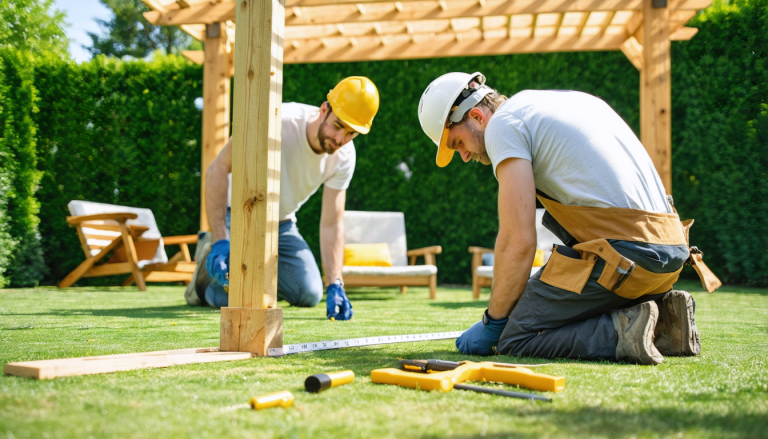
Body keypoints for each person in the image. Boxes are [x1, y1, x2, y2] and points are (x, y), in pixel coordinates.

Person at [417, 72, 721, 364]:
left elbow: (517, 242)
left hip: (628, 257)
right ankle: (665, 321)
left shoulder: (504, 126)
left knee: (517, 337)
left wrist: (493, 322)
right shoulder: (572, 101)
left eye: (457, 144)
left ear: (476, 117)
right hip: (672, 254)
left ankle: (626, 331)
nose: (465, 156)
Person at [185, 76, 380, 320]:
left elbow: (332, 222)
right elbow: (217, 170)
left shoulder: (344, 157)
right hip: (237, 214)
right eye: (338, 126)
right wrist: (222, 239)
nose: (340, 140)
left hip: (282, 224)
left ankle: (244, 276)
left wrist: (336, 283)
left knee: (309, 293)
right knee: (241, 299)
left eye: (351, 133)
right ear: (323, 110)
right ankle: (206, 273)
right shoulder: (277, 122)